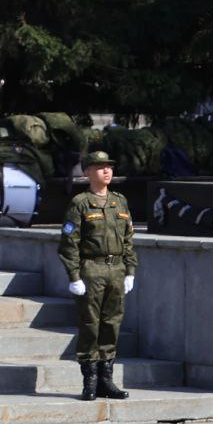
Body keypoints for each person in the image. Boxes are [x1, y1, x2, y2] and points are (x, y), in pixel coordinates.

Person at [57, 151, 138, 401]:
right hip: (91, 270)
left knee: (112, 325)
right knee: (90, 325)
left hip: (116, 270)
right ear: (87, 172)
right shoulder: (81, 203)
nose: (107, 171)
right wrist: (74, 276)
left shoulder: (120, 201)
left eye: (109, 167)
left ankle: (106, 379)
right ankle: (89, 380)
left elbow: (128, 240)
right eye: (100, 167)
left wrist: (130, 270)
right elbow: (69, 243)